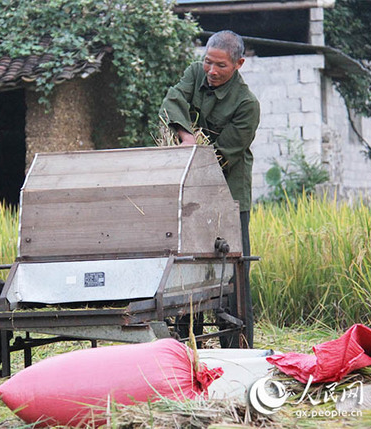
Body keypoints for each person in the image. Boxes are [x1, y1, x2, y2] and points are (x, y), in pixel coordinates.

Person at [159, 30, 260, 347]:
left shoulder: (247, 105)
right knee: (185, 264)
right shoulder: (194, 72)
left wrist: (194, 158)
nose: (212, 71)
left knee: (231, 271)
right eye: (208, 62)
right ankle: (183, 341)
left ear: (239, 64)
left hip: (228, 193)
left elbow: (223, 155)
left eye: (221, 66)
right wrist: (185, 135)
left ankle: (237, 347)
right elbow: (173, 99)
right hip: (188, 190)